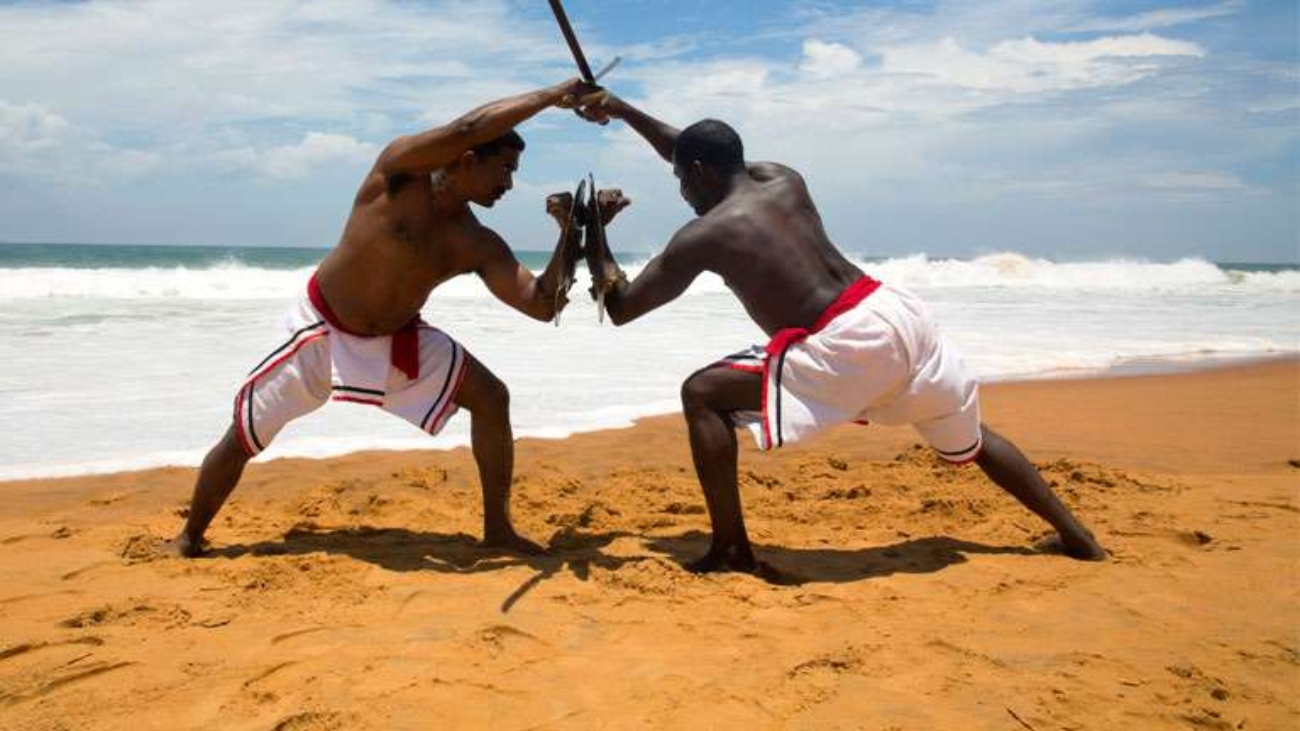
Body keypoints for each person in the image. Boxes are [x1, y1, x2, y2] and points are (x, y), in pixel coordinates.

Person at [573, 96, 1107, 573]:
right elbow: (696, 150)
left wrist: (593, 229)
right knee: (971, 435)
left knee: (702, 394)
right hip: (899, 314)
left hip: (847, 344)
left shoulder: (705, 234)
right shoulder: (783, 178)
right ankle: (1078, 537)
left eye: (681, 180)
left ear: (697, 172)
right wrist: (620, 110)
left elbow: (621, 307)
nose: (683, 192)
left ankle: (731, 550)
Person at [169, 78, 607, 558]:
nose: (509, 184)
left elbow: (541, 305)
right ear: (466, 160)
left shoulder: (475, 240)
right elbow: (467, 126)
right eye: (504, 169)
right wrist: (555, 96)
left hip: (399, 338)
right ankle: (190, 536)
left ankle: (498, 530)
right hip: (320, 329)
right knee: (244, 434)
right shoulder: (397, 173)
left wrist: (571, 236)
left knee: (491, 397)